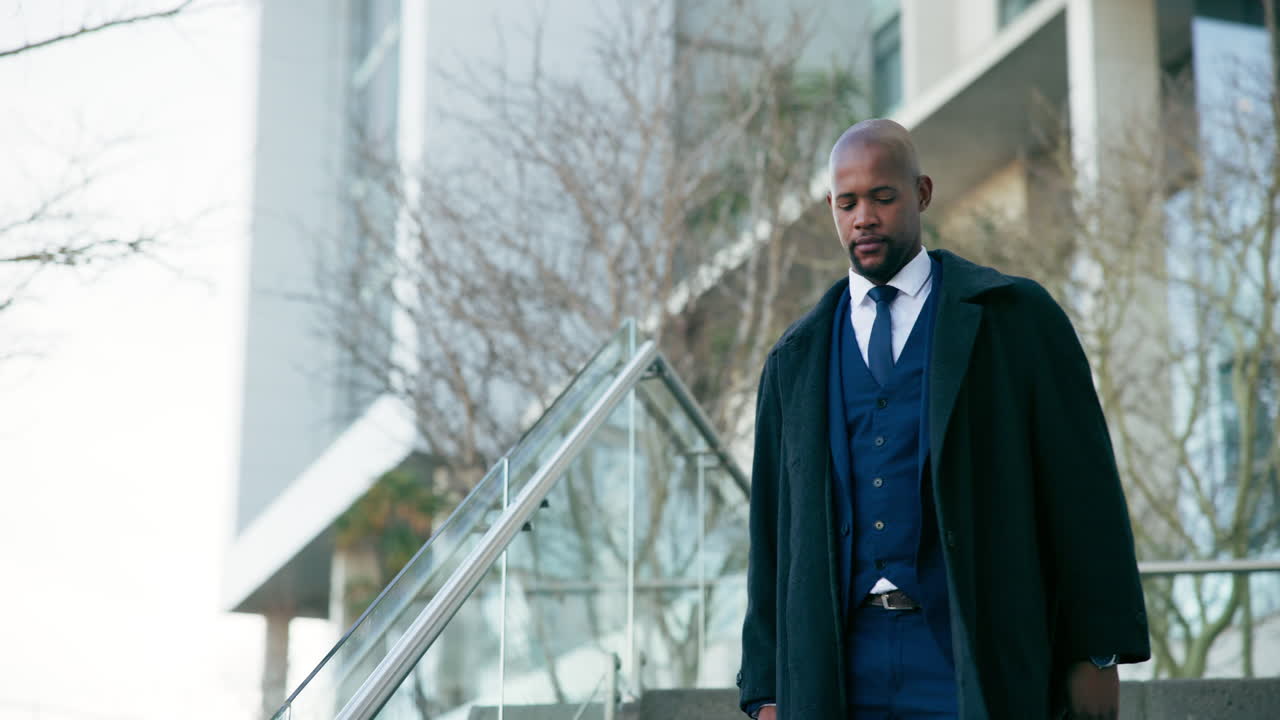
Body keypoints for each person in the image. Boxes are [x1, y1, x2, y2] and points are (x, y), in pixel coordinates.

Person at [735, 119, 1150, 719]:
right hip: (837, 668)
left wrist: (1099, 653)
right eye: (847, 203)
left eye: (883, 197)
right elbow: (771, 535)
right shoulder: (794, 359)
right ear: (831, 206)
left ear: (922, 193)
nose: (864, 218)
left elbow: (1084, 499)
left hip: (972, 655)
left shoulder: (1016, 319)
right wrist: (767, 691)